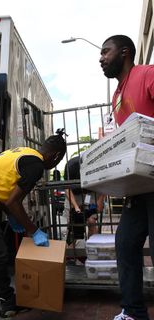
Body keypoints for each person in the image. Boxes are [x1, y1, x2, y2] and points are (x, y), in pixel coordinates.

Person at [0, 129, 67, 320]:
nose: (55, 164)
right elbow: (13, 202)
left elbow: (6, 194)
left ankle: (8, 302)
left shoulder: (24, 152)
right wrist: (34, 230)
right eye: (58, 160)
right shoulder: (36, 166)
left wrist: (14, 217)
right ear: (55, 156)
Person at [100, 35, 154, 320]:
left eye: (105, 52)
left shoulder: (147, 74)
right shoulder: (116, 95)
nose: (101, 58)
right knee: (125, 244)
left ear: (124, 52)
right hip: (138, 185)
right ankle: (133, 312)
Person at [63, 155, 105, 244]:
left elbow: (104, 183)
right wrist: (75, 206)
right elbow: (67, 188)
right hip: (74, 194)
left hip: (91, 192)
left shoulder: (98, 163)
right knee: (73, 222)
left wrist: (100, 201)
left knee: (92, 221)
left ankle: (93, 247)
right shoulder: (71, 166)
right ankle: (71, 251)